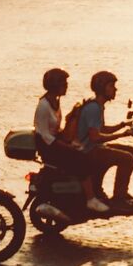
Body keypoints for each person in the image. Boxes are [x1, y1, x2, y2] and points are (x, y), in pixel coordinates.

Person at [34, 69, 108, 214]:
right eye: (64, 83)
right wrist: (67, 148)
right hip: (47, 147)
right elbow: (45, 135)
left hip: (55, 142)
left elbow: (56, 129)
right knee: (81, 158)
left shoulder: (55, 101)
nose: (66, 85)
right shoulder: (43, 106)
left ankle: (93, 192)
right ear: (55, 85)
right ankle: (90, 199)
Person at [76, 71, 133, 204]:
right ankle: (119, 197)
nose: (115, 89)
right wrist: (121, 135)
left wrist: (122, 125)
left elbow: (102, 129)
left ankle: (119, 192)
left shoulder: (98, 106)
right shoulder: (94, 108)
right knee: (127, 158)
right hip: (88, 150)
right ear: (102, 88)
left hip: (94, 147)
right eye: (111, 86)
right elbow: (95, 137)